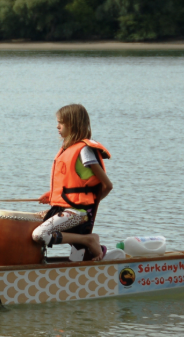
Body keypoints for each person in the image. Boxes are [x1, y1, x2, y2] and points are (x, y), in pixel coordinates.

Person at [34, 104, 113, 261]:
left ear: (73, 124)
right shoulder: (66, 149)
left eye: (61, 123)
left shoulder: (85, 150)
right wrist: (52, 196)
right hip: (65, 209)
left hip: (78, 213)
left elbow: (107, 186)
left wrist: (88, 207)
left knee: (39, 234)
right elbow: (73, 185)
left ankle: (88, 240)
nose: (57, 126)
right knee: (76, 260)